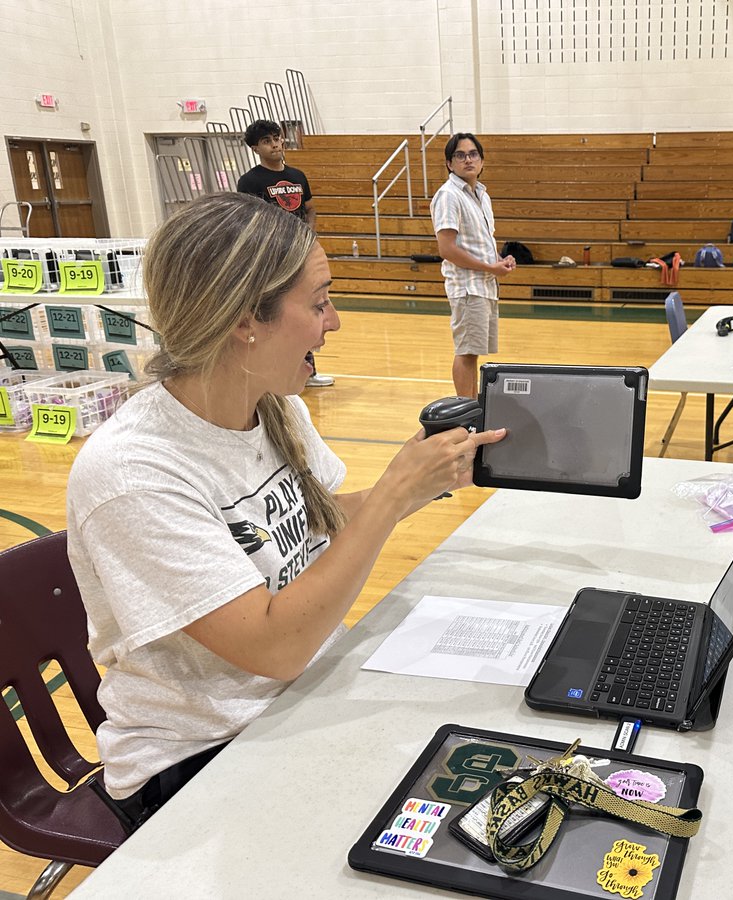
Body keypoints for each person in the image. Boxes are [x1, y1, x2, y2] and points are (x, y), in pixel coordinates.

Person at [65, 193, 504, 829]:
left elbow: (315, 522)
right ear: (247, 320)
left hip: (304, 697)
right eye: (319, 301)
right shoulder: (133, 472)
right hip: (200, 756)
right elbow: (275, 647)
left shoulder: (275, 406)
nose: (336, 322)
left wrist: (424, 482)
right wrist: (391, 498)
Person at [237, 118, 333, 388]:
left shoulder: (297, 176)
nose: (276, 144)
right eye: (267, 141)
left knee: (308, 311)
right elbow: (247, 220)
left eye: (277, 138)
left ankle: (308, 371)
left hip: (299, 256)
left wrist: (308, 235)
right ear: (256, 148)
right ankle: (275, 372)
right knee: (278, 315)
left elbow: (310, 208)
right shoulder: (249, 181)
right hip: (271, 261)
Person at [430, 132, 516, 398]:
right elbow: (447, 249)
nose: (468, 160)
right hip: (468, 288)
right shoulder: (448, 196)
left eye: (473, 154)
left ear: (481, 160)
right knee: (466, 352)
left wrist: (499, 261)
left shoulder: (481, 195)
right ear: (449, 163)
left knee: (473, 352)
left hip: (484, 286)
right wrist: (490, 268)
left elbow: (478, 241)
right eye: (460, 155)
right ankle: (466, 410)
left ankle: (473, 404)